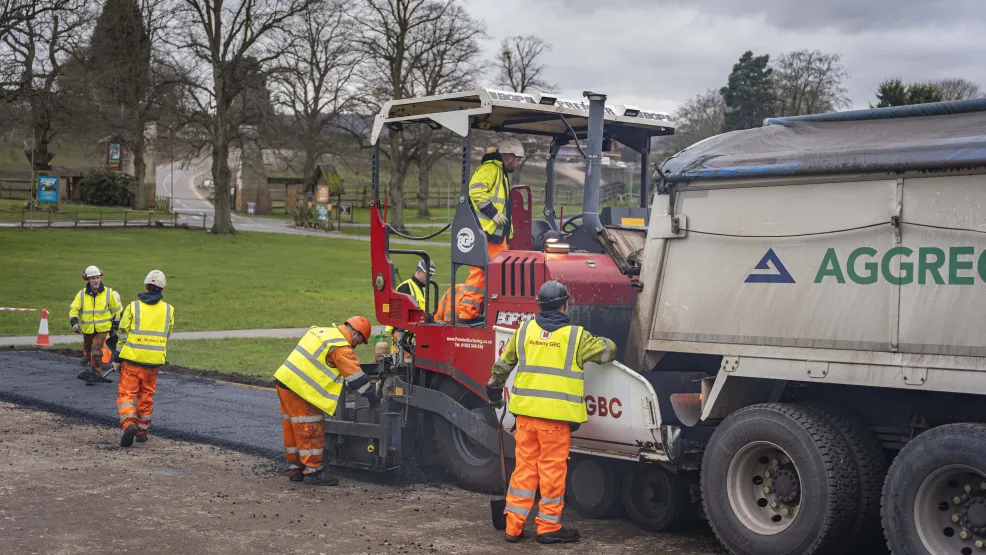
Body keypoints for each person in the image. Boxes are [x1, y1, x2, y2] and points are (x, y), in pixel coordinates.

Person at [486, 280, 617, 544]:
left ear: (540, 305)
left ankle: (513, 526)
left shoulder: (524, 331)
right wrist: (604, 337)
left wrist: (493, 389)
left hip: (525, 418)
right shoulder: (577, 337)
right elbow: (608, 351)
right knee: (551, 472)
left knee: (524, 469)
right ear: (566, 304)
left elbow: (502, 365)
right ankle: (547, 526)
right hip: (556, 422)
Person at [274, 316, 380, 486]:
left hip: (285, 382)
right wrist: (374, 398)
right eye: (360, 341)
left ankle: (295, 467)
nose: (357, 345)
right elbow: (357, 380)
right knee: (311, 427)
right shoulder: (341, 348)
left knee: (292, 425)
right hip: (302, 390)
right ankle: (313, 471)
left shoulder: (321, 331)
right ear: (355, 333)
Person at [457, 138, 524, 323]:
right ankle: (467, 314)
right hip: (488, 234)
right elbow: (475, 191)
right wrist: (493, 213)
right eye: (518, 159)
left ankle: (489, 312)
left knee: (496, 274)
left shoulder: (499, 171)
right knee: (481, 273)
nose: (518, 164)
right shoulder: (491, 169)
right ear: (509, 157)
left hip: (496, 235)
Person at [114, 270, 174, 447]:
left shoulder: (133, 307)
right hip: (153, 363)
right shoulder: (169, 310)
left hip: (132, 361)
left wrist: (117, 357)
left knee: (126, 395)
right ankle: (142, 432)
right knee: (146, 396)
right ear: (162, 288)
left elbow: (122, 333)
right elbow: (167, 334)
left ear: (146, 285)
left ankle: (129, 424)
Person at [69, 265, 122, 384]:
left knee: (96, 349)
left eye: (97, 277)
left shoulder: (108, 293)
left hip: (103, 328)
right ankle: (92, 369)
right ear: (87, 279)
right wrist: (74, 323)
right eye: (93, 278)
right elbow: (74, 309)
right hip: (88, 329)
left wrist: (116, 322)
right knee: (88, 351)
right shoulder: (82, 294)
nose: (96, 280)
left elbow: (117, 309)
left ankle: (96, 373)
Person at [386, 260, 436, 354]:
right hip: (403, 339)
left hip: (413, 340)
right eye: (428, 275)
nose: (429, 278)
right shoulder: (405, 287)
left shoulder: (421, 289)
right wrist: (398, 334)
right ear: (419, 271)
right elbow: (396, 314)